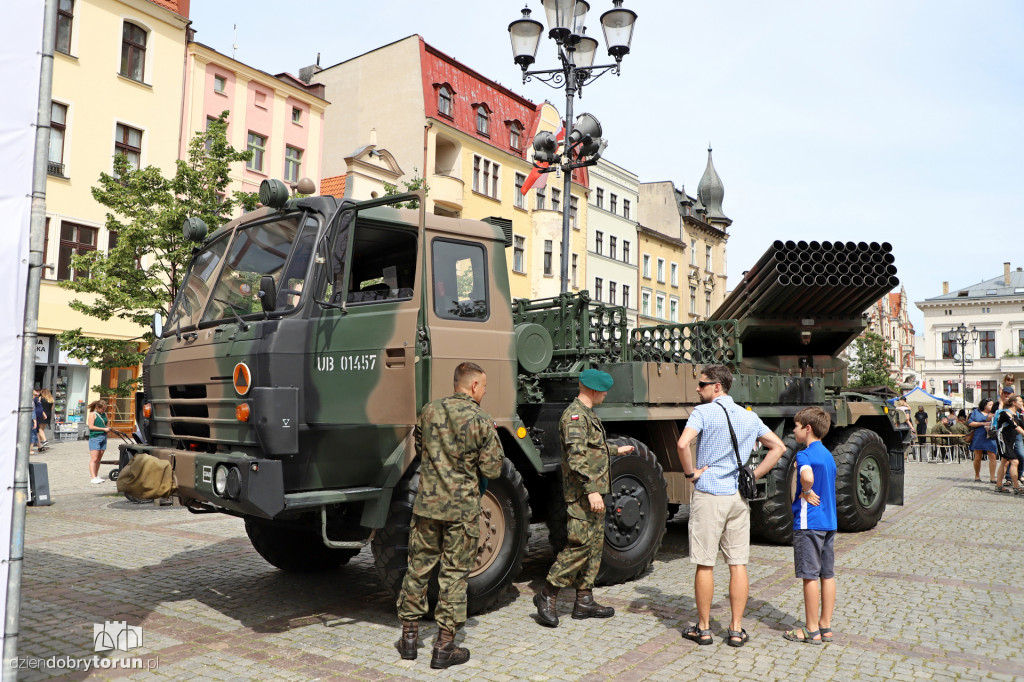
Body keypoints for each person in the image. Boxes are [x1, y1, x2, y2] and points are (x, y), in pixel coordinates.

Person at [395, 362, 503, 669]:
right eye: (483, 386)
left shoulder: (429, 411)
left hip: (427, 507)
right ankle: (444, 647)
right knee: (454, 576)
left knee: (418, 568)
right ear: (473, 386)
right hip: (462, 511)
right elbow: (493, 468)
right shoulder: (481, 419)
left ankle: (409, 639)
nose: (484, 392)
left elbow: (420, 447)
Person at [676, 364, 786, 647]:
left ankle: (703, 629)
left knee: (705, 563)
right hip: (738, 497)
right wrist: (754, 475)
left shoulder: (702, 412)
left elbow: (682, 444)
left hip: (710, 495)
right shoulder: (748, 416)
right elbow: (778, 447)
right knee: (738, 564)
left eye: (702, 384)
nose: (697, 388)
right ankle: (736, 630)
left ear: (717, 386)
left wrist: (690, 474)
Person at [534, 369, 635, 628]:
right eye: (603, 391)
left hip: (593, 492)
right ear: (593, 390)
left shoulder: (587, 414)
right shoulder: (575, 417)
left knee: (593, 546)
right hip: (582, 494)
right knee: (579, 545)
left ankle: (584, 600)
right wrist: (591, 490)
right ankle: (547, 594)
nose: (605, 395)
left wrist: (616, 449)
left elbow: (593, 448)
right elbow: (576, 457)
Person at [783, 407, 837, 645]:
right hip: (829, 522)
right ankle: (825, 626)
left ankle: (811, 629)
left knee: (809, 576)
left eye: (796, 426)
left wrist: (806, 491)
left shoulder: (804, 455)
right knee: (827, 574)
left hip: (809, 522)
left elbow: (807, 477)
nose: (794, 430)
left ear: (808, 428)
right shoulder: (828, 455)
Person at [993, 393, 1024, 495]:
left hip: (1010, 440)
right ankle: (1016, 487)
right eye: (1020, 401)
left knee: (1005, 462)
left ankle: (998, 486)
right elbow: (1015, 426)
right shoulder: (1005, 413)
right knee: (1014, 461)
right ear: (1014, 403)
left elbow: (1022, 425)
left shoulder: (1017, 414)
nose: (1022, 403)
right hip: (1003, 439)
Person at [968, 399, 998, 484]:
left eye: (992, 404)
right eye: (990, 405)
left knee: (993, 456)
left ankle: (992, 477)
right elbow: (970, 423)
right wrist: (982, 423)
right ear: (984, 405)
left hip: (990, 436)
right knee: (978, 457)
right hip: (979, 436)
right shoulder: (976, 412)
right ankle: (977, 475)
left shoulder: (994, 413)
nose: (992, 406)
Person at [86, 400, 112, 484]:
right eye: (102, 409)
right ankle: (93, 477)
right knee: (94, 458)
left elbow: (107, 424)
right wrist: (103, 429)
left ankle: (96, 475)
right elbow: (91, 427)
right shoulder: (93, 414)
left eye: (105, 409)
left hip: (103, 437)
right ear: (97, 407)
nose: (103, 410)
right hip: (95, 437)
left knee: (99, 459)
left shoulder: (105, 414)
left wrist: (108, 428)